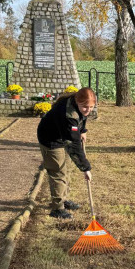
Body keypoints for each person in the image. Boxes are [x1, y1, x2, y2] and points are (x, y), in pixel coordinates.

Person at [37, 86, 97, 219]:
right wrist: (85, 168)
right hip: (50, 138)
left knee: (67, 169)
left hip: (63, 134)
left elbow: (82, 117)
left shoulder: (77, 104)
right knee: (58, 171)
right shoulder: (68, 114)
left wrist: (82, 131)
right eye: (85, 107)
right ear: (77, 101)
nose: (88, 110)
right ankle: (57, 208)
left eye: (91, 107)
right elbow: (74, 146)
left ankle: (64, 199)